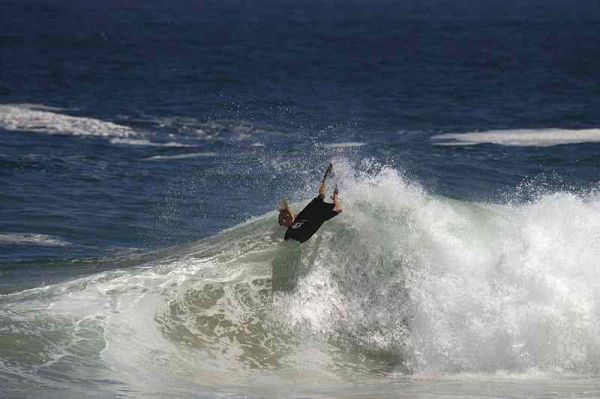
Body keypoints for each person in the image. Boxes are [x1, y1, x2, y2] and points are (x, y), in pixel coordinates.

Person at [278, 163, 342, 243]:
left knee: (321, 195)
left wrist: (335, 198)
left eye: (283, 219)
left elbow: (339, 209)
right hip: (311, 215)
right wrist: (335, 198)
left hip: (313, 212)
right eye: (282, 220)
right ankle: (328, 177)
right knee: (321, 196)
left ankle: (327, 176)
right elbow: (338, 209)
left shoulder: (291, 230)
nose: (282, 222)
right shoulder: (289, 233)